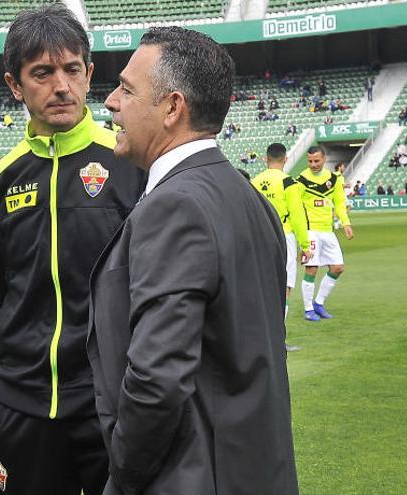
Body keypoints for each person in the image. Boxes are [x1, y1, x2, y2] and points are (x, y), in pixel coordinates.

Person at [91, 26, 298, 494]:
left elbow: (156, 381)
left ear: (172, 108)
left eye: (126, 88)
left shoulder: (176, 205)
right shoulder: (251, 198)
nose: (110, 102)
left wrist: (121, 479)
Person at [0, 5, 145, 494]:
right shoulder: (0, 182)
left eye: (71, 69)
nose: (60, 86)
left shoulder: (130, 164)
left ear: (89, 74)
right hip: (21, 407)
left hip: (112, 402)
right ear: (15, 85)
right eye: (42, 73)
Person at [251, 142, 311, 351]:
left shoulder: (255, 182)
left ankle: (258, 337)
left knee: (261, 287)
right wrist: (305, 245)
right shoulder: (289, 183)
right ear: (285, 160)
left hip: (258, 237)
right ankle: (276, 340)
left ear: (265, 160)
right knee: (283, 288)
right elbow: (297, 215)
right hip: (283, 237)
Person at [297, 146, 354, 321]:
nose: (313, 164)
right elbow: (297, 207)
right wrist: (301, 237)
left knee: (337, 267)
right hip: (310, 231)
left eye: (317, 161)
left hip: (327, 231)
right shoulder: (301, 180)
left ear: (324, 159)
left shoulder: (333, 179)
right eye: (310, 161)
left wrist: (346, 224)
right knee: (312, 269)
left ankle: (318, 303)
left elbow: (339, 203)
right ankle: (308, 310)